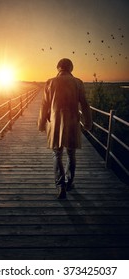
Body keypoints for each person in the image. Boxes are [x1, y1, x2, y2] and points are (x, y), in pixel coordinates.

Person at [38, 58, 92, 199]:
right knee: (71, 154)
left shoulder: (50, 82)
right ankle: (69, 182)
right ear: (71, 68)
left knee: (57, 154)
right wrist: (88, 122)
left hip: (55, 123)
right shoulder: (78, 82)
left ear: (58, 68)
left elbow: (44, 105)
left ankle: (60, 185)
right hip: (73, 122)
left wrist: (41, 122)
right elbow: (85, 104)